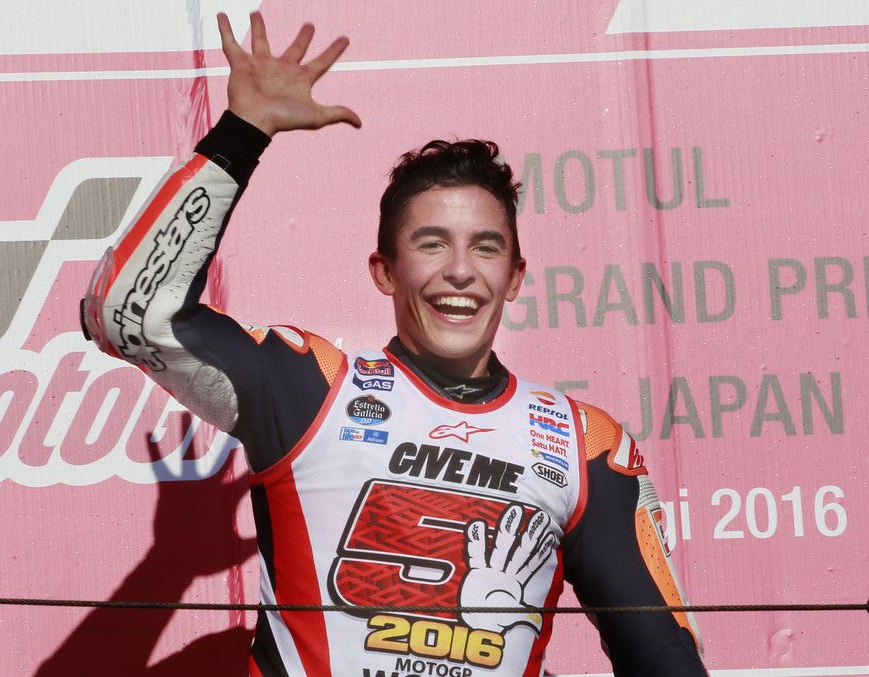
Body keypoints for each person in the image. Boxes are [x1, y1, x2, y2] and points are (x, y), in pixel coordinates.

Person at [82, 12, 706, 676]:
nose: (460, 271)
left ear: (515, 276)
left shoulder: (585, 446)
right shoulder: (309, 389)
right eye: (431, 244)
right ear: (384, 271)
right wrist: (243, 131)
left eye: (485, 248)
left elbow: (666, 660)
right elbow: (126, 313)